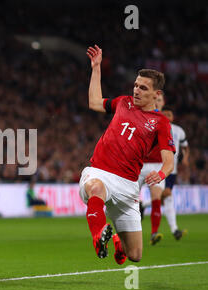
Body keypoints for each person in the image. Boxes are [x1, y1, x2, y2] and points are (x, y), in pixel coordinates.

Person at [80, 45, 175, 265]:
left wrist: (161, 174)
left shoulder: (161, 123)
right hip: (100, 171)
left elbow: (169, 160)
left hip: (128, 185)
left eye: (143, 87)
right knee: (95, 187)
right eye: (135, 85)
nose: (136, 90)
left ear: (156, 94)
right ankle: (98, 236)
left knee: (135, 255)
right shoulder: (124, 102)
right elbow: (94, 103)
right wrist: (96, 68)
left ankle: (115, 240)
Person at [141, 106, 189, 240]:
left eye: (170, 114)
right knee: (166, 196)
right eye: (165, 113)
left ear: (173, 117)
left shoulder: (179, 130)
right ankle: (174, 230)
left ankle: (144, 205)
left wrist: (185, 158)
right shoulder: (156, 125)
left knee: (167, 196)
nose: (167, 116)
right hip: (159, 166)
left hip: (172, 170)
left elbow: (185, 146)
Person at [137, 92, 166, 245]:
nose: (158, 102)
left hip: (156, 165)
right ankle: (130, 233)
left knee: (156, 198)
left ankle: (154, 233)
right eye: (156, 99)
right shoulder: (141, 117)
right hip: (139, 165)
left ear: (163, 102)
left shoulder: (164, 122)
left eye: (160, 100)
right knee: (131, 199)